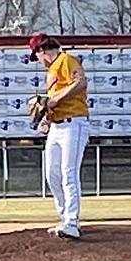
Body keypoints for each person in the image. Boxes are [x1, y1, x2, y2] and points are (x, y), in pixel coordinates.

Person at [28, 32, 91, 239]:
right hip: (57, 125)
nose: (38, 60)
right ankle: (65, 219)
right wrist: (46, 115)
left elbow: (80, 82)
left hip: (74, 122)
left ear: (42, 50)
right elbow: (53, 100)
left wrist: (53, 101)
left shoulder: (66, 60)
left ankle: (72, 223)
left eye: (36, 55)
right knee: (51, 174)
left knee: (68, 172)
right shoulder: (52, 70)